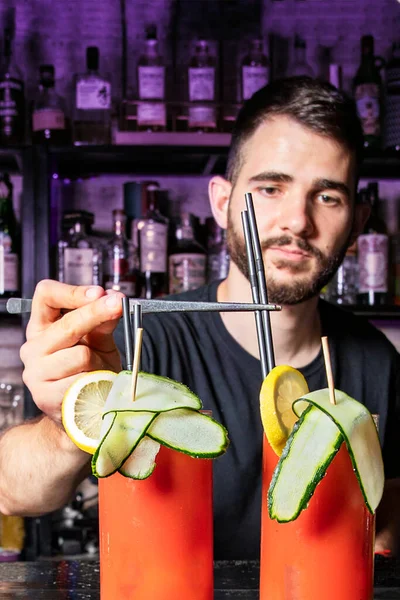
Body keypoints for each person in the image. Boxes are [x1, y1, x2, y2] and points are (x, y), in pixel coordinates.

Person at [0, 77, 399, 560]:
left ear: (358, 221)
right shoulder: (146, 340)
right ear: (221, 202)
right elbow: (14, 490)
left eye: (328, 197)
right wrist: (66, 427)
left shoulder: (375, 360)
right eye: (270, 187)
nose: (297, 220)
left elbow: (386, 521)